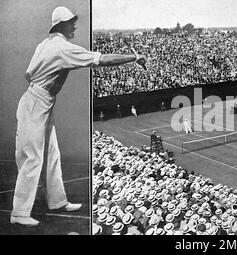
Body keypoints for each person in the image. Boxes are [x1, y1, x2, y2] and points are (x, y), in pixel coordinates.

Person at [11, 6, 147, 227]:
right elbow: (102, 60)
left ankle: (57, 201)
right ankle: (18, 212)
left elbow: (29, 73)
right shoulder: (61, 48)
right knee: (33, 157)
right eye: (71, 22)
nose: (75, 25)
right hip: (35, 104)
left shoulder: (45, 44)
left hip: (39, 101)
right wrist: (134, 57)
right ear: (61, 25)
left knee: (51, 154)